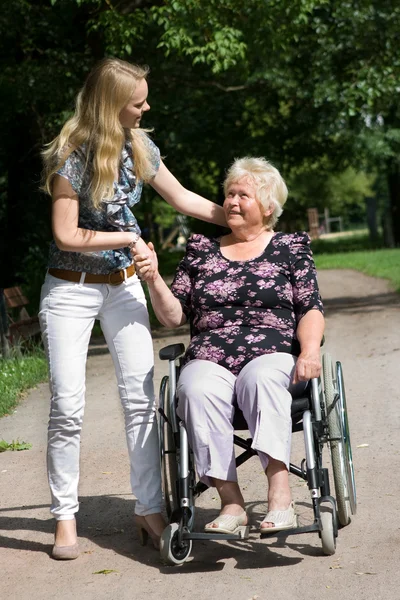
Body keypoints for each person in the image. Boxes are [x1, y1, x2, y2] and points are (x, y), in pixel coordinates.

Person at [39, 57, 226, 560]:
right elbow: (66, 234)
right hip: (71, 288)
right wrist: (130, 235)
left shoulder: (139, 146)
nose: (146, 107)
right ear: (111, 105)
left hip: (123, 285)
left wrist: (238, 220)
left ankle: (147, 508)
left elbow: (183, 197)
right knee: (68, 404)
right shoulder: (71, 156)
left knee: (142, 399)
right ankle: (64, 518)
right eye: (138, 101)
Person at [133, 157, 325, 535]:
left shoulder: (290, 247)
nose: (232, 202)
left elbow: (310, 307)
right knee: (195, 388)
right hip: (210, 355)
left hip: (271, 352)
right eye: (229, 194)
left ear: (268, 207)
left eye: (243, 195)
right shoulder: (201, 249)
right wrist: (154, 278)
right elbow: (173, 316)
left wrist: (310, 350)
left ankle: (280, 497)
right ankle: (231, 502)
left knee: (261, 381)